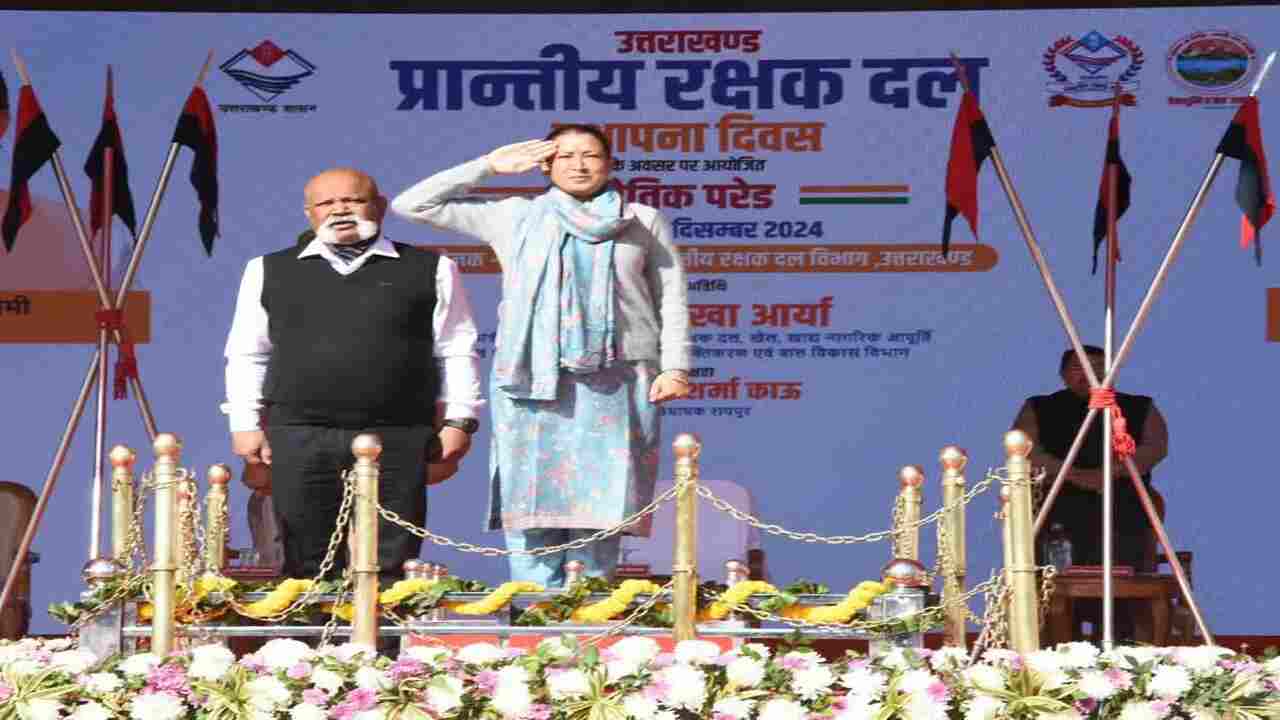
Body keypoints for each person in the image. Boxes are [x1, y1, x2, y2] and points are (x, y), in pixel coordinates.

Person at [391, 125, 692, 586]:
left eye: (590, 155)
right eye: (565, 156)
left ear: (609, 164)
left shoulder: (641, 220)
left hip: (617, 380)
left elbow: (670, 297)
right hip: (532, 382)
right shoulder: (515, 215)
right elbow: (412, 204)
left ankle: (593, 613)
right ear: (545, 166)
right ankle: (533, 609)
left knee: (602, 508)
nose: (579, 165)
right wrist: (488, 166)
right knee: (531, 507)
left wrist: (675, 368)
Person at [222, 167, 483, 582]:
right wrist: (244, 424)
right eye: (326, 203)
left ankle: (383, 629)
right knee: (305, 568)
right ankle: (309, 628)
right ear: (309, 213)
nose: (340, 210)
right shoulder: (267, 269)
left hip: (398, 435)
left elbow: (456, 350)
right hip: (299, 434)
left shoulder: (432, 268)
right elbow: (247, 353)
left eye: (353, 200)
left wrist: (460, 421)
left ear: (379, 206)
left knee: (390, 569)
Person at [1011, 345, 1169, 569]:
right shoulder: (1038, 407)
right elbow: (1026, 452)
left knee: (1127, 535)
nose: (1089, 373)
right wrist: (1072, 474)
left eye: (1098, 367)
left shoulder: (1140, 407)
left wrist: (1111, 472)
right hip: (1058, 500)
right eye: (1079, 367)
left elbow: (1155, 448)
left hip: (1122, 501)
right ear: (1063, 374)